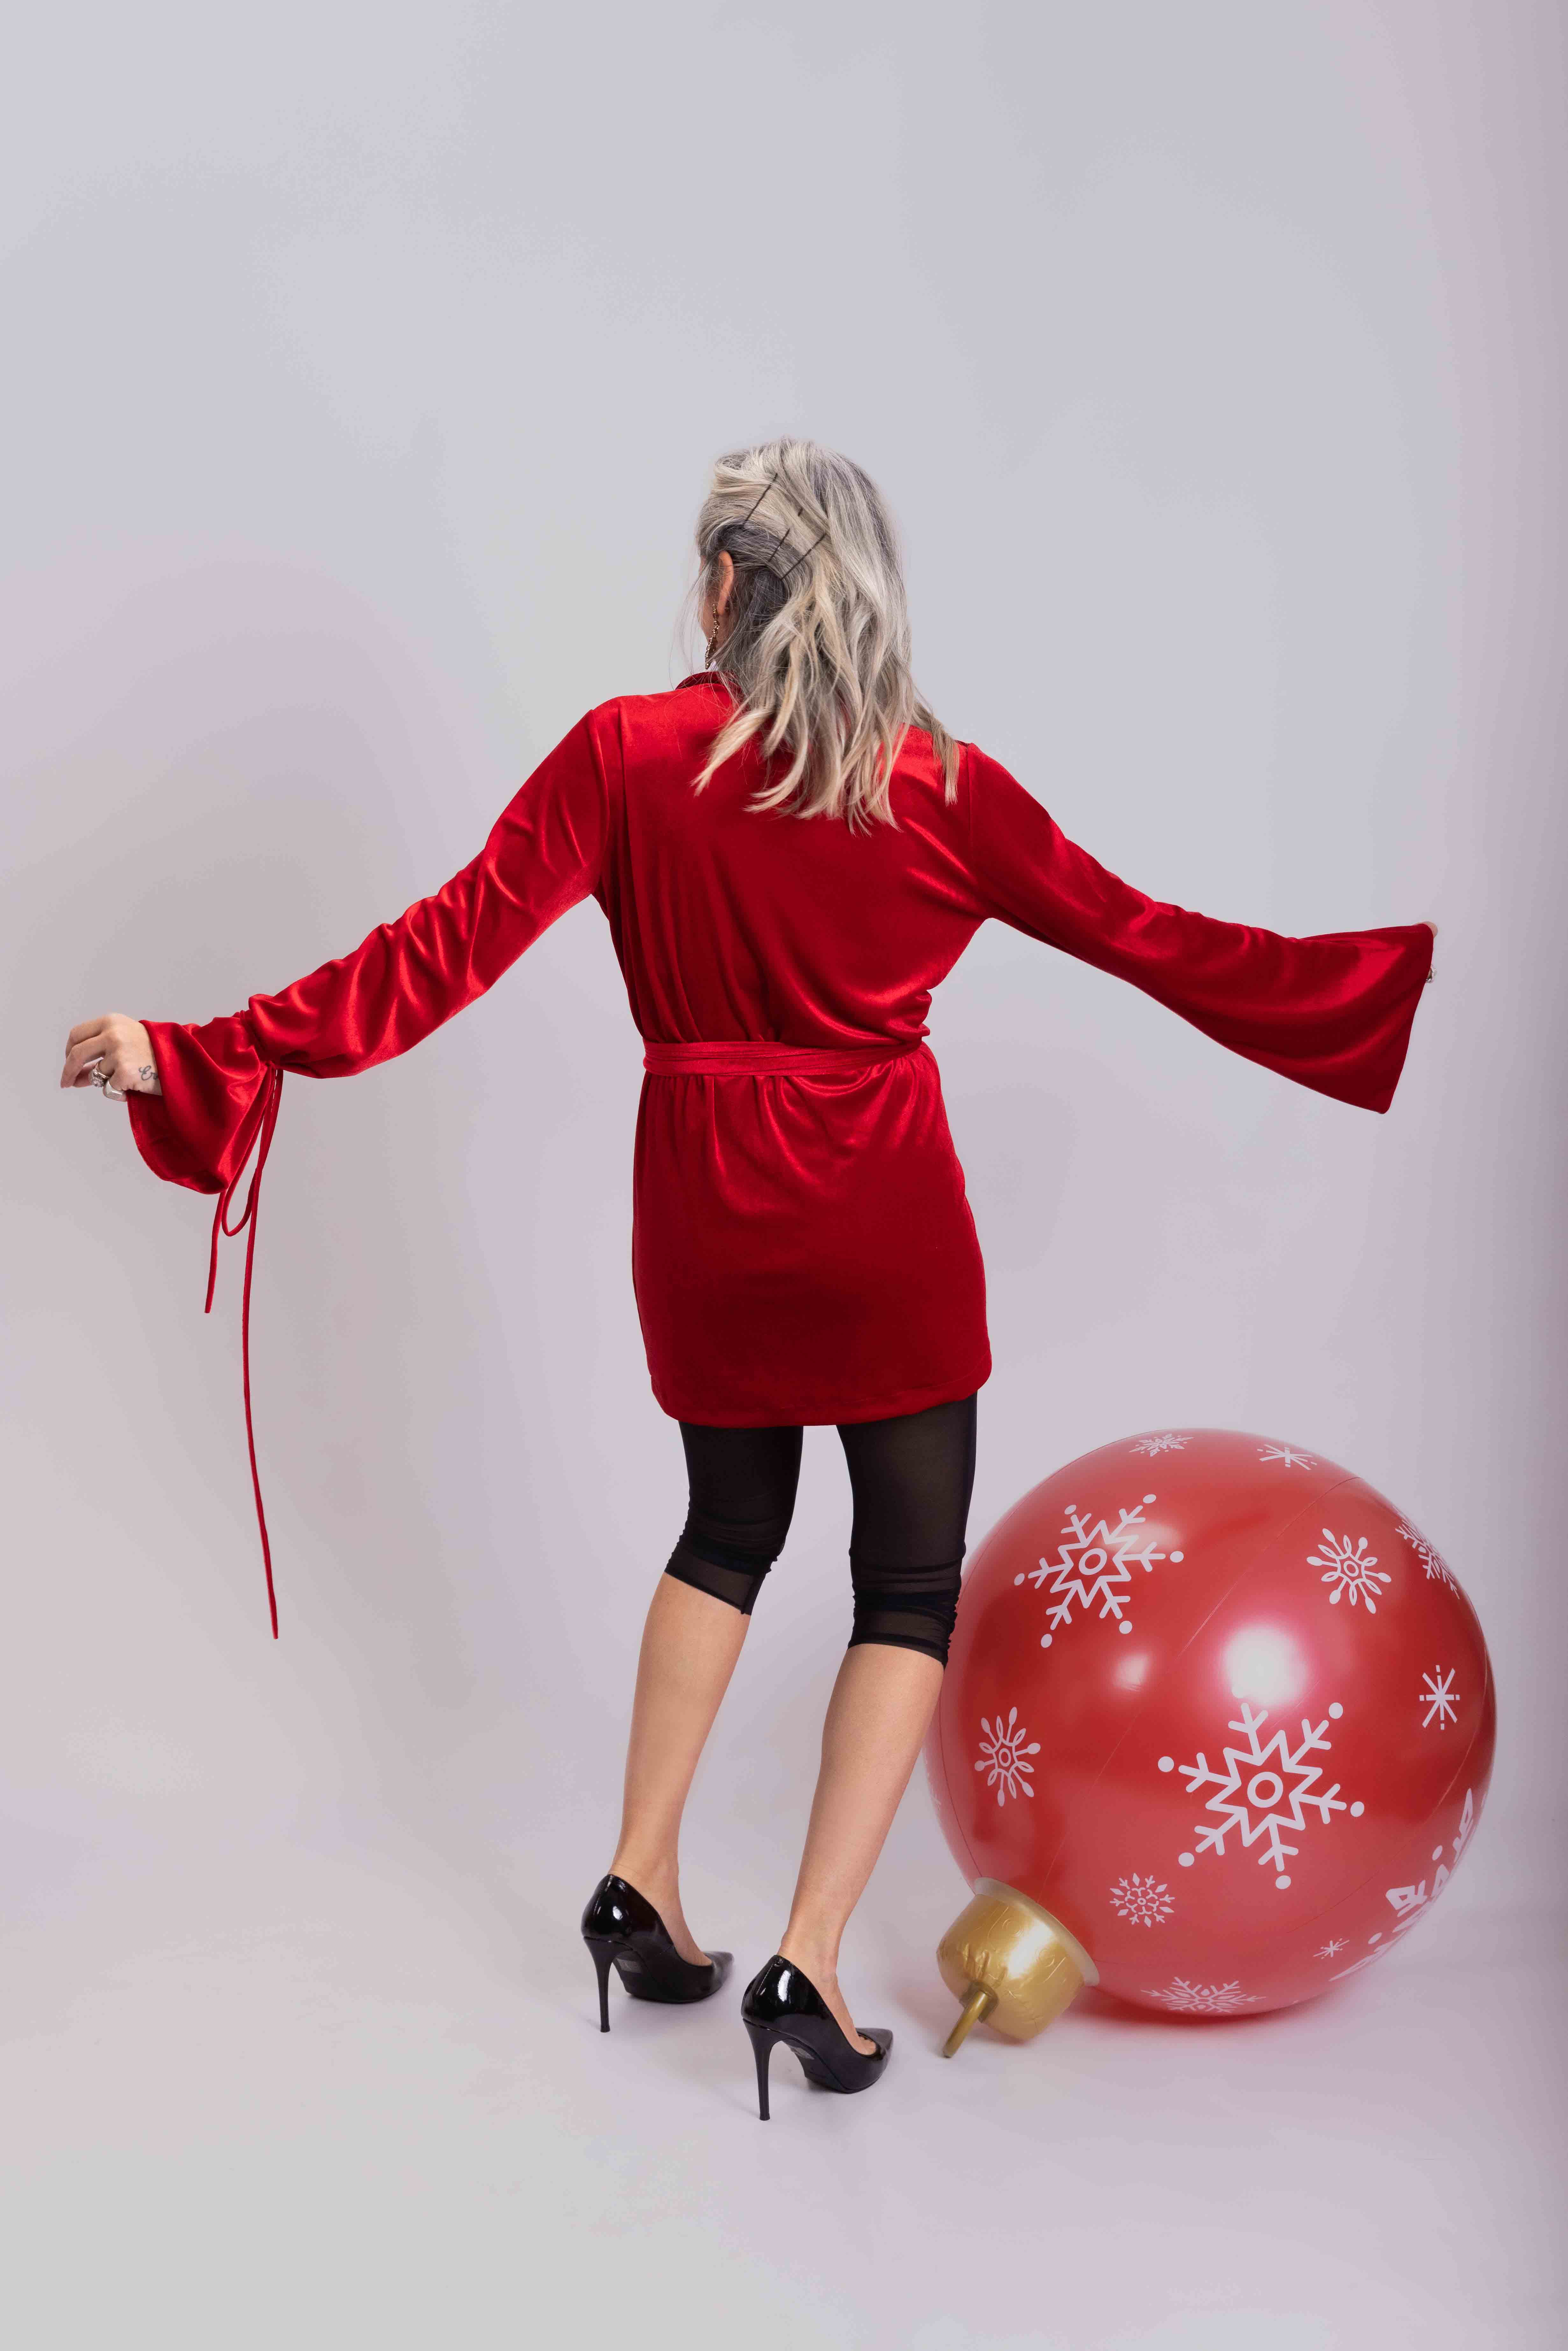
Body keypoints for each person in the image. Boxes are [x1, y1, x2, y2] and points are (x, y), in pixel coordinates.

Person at [60, 436, 1437, 2117]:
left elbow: (438, 951)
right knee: (905, 1588)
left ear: (724, 584)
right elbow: (1147, 936)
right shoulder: (940, 785)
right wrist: (1361, 994)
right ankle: (809, 1960)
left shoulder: (626, 756)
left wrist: (205, 1047)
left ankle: (636, 1880)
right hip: (882, 1215)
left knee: (726, 1532)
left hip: (704, 1208)